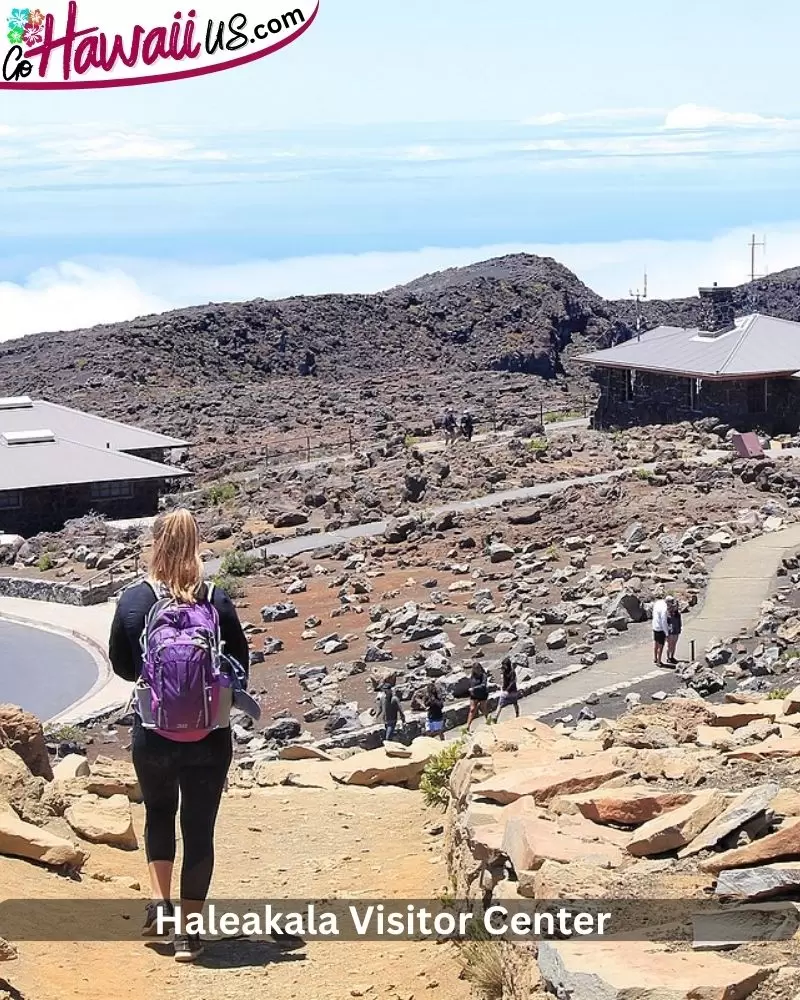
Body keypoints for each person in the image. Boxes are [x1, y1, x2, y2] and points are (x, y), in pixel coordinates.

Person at [109, 509, 249, 964]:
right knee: (199, 829)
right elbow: (241, 666)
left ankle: (161, 905)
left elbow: (124, 666)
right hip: (210, 735)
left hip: (154, 733)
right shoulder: (216, 599)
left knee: (159, 815)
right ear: (196, 546)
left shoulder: (134, 601)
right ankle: (189, 935)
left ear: (154, 545)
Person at [379, 673, 406, 742]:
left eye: (386, 690)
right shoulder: (382, 698)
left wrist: (403, 719)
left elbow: (400, 710)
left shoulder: (394, 699)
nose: (385, 691)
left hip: (392, 720)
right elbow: (380, 708)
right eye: (384, 690)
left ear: (390, 690)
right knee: (389, 736)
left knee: (388, 738)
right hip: (385, 721)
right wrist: (376, 716)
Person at [494, 657, 520, 723]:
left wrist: (507, 690)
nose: (503, 666)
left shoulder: (512, 672)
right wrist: (503, 687)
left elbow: (512, 682)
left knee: (515, 703)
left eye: (504, 665)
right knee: (500, 704)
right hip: (506, 690)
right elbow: (504, 680)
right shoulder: (504, 671)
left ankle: (517, 714)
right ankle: (495, 717)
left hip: (512, 691)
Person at [465, 662, 489, 731]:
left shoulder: (483, 675)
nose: (476, 671)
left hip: (482, 694)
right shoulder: (472, 676)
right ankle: (468, 726)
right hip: (474, 695)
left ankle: (488, 720)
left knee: (483, 708)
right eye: (475, 669)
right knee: (472, 709)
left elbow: (483, 685)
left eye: (477, 669)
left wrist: (474, 688)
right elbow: (471, 683)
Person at [652, 592, 669, 667]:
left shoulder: (657, 604)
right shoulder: (664, 607)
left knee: (656, 644)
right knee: (661, 646)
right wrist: (667, 632)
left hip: (655, 626)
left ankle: (655, 658)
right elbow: (664, 620)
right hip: (661, 629)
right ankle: (659, 661)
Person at [666, 597, 682, 666]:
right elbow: (666, 623)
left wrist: (679, 628)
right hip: (670, 631)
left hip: (676, 630)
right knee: (670, 645)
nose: (676, 608)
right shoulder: (668, 614)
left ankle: (672, 656)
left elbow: (679, 622)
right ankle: (668, 657)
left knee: (674, 644)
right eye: (674, 606)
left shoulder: (678, 614)